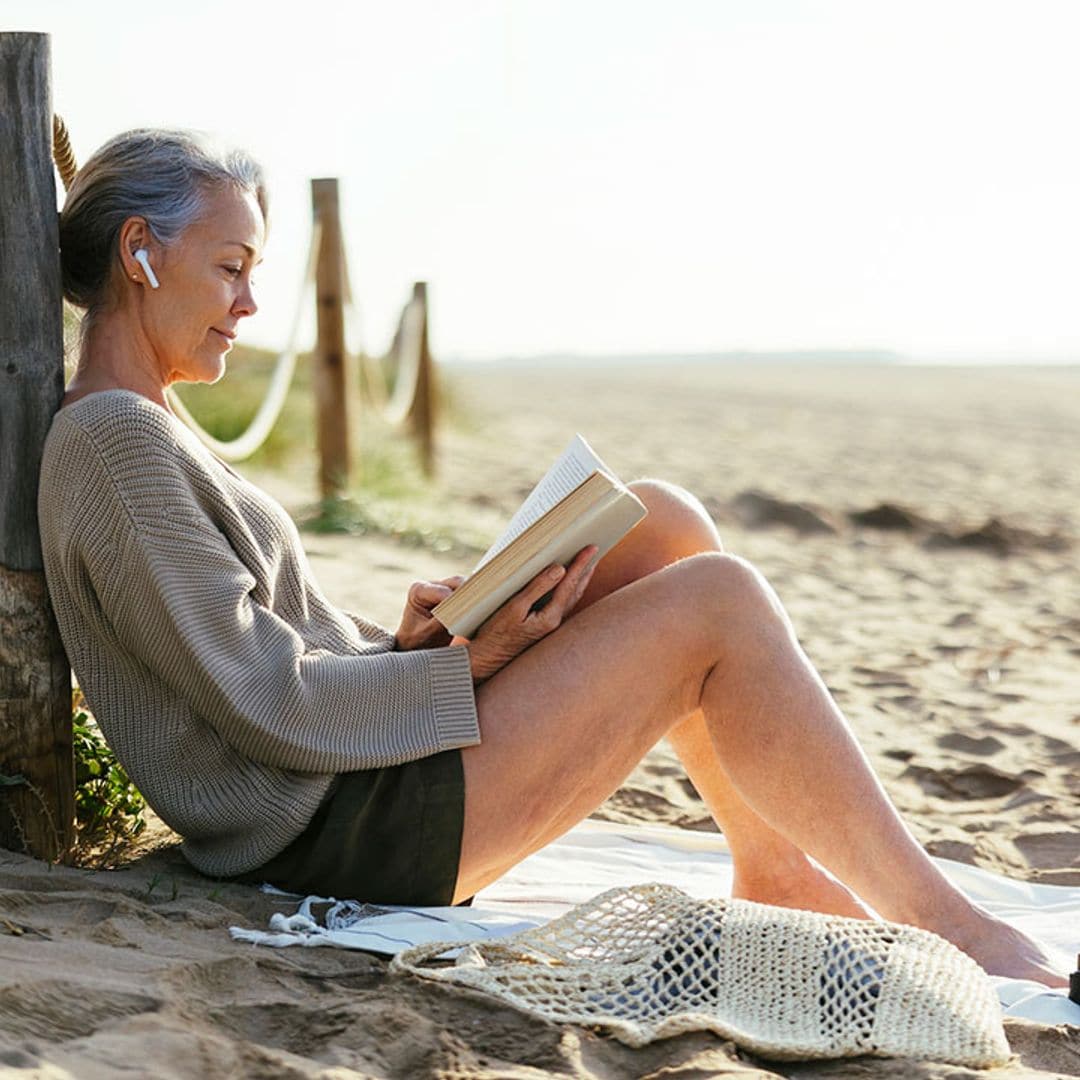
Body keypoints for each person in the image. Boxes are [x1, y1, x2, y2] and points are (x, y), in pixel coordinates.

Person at [40, 128, 1064, 988]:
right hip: (335, 833)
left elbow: (261, 651)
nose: (250, 305)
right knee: (717, 600)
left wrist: (400, 643)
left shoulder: (146, 426)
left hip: (348, 786)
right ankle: (952, 928)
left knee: (657, 520)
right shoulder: (115, 442)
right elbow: (265, 704)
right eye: (232, 268)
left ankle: (774, 864)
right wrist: (460, 667)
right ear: (141, 253)